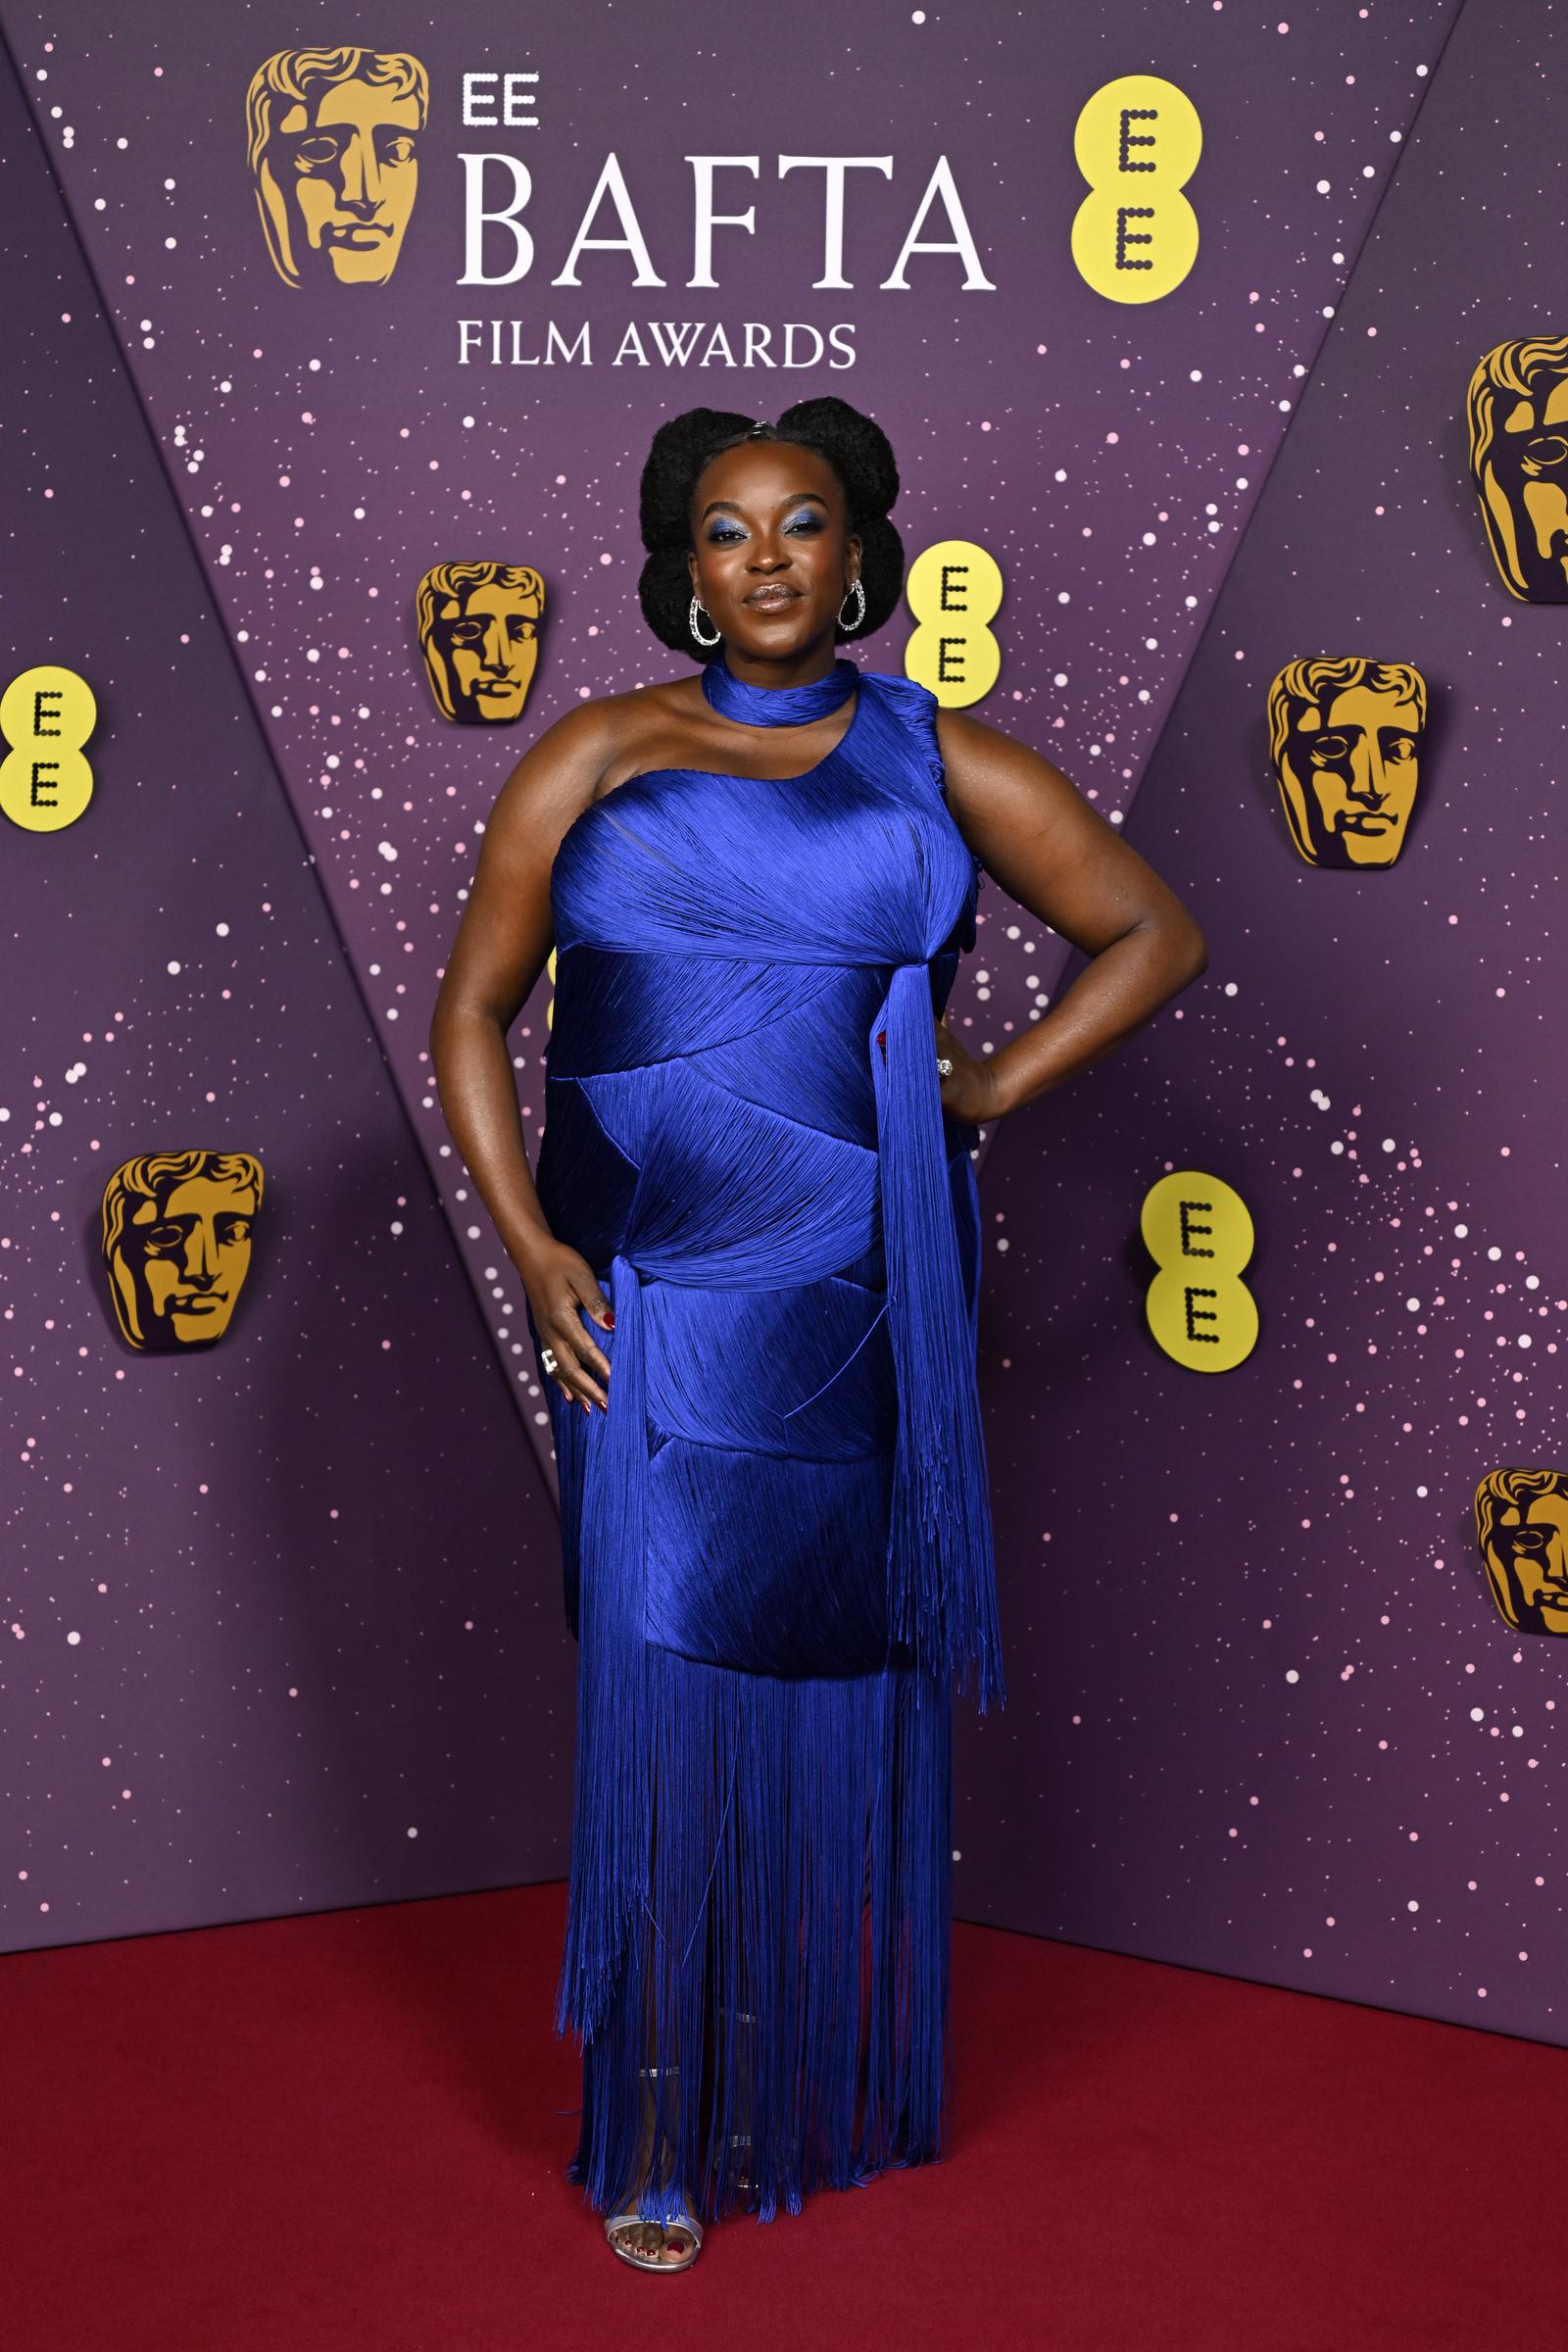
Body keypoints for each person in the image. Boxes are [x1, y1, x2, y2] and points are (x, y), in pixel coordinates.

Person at [428, 396, 1207, 2272]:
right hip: (639, 1296)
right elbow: (472, 1010)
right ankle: (659, 2115)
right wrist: (529, 1249)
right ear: (684, 568)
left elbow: (1151, 931)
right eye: (727, 528)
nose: (766, 556)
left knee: (820, 1668)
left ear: (858, 553)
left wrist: (990, 1082)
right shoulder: (595, 750)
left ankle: (782, 2073)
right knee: (657, 1682)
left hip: (856, 1290)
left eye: (801, 522)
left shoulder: (939, 757)